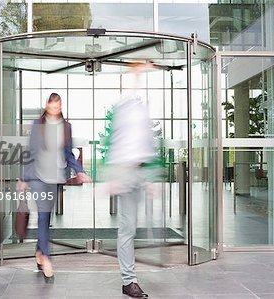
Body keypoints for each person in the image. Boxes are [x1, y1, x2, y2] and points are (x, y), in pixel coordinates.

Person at [17, 92, 91, 282]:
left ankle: (39, 251)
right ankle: (47, 259)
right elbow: (30, 152)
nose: (55, 110)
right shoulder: (37, 125)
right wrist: (23, 178)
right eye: (52, 107)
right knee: (42, 215)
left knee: (45, 217)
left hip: (55, 177)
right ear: (47, 106)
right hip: (38, 177)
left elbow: (68, 154)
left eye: (58, 107)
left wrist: (79, 171)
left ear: (61, 107)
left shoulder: (66, 127)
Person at [106, 63, 156, 298]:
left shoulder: (140, 108)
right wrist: (115, 175)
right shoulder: (123, 107)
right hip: (125, 172)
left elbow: (146, 141)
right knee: (126, 229)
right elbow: (116, 140)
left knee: (132, 228)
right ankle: (129, 281)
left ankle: (130, 278)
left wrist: (149, 177)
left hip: (139, 171)